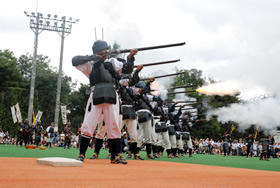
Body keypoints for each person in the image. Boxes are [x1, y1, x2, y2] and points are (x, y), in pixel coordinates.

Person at [72, 40, 137, 164]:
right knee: (88, 124)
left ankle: (115, 156)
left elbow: (128, 69)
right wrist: (92, 57)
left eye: (106, 51)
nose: (105, 53)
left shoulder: (113, 62)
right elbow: (74, 60)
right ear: (97, 52)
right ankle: (81, 154)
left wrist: (130, 57)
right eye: (102, 51)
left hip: (112, 94)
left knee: (113, 125)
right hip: (96, 93)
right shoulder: (90, 64)